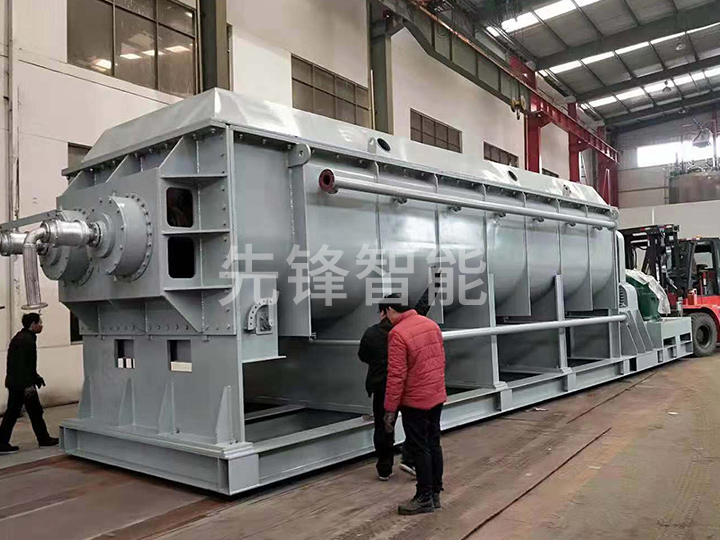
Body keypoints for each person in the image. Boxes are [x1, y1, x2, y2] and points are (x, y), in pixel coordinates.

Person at [383, 298, 447, 515]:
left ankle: (424, 496)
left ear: (390, 309)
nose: (386, 318)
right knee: (433, 443)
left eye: (385, 313)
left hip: (415, 401)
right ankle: (435, 493)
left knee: (419, 448)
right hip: (435, 395)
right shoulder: (431, 324)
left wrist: (390, 409)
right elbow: (440, 360)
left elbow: (396, 375)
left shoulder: (398, 333)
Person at [358, 299, 416, 481]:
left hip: (381, 386)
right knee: (414, 423)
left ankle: (384, 468)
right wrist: (436, 285)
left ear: (384, 311)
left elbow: (363, 355)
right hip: (406, 385)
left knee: (384, 426)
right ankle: (411, 459)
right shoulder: (408, 329)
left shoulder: (372, 333)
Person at [0, 313, 58, 454]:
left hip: (19, 382)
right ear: (33, 324)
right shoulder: (25, 340)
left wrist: (36, 377)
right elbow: (21, 365)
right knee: (14, 413)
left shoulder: (24, 338)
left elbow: (26, 364)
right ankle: (2, 443)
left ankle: (44, 439)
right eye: (40, 323)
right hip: (21, 384)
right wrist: (28, 385)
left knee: (34, 411)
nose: (41, 325)